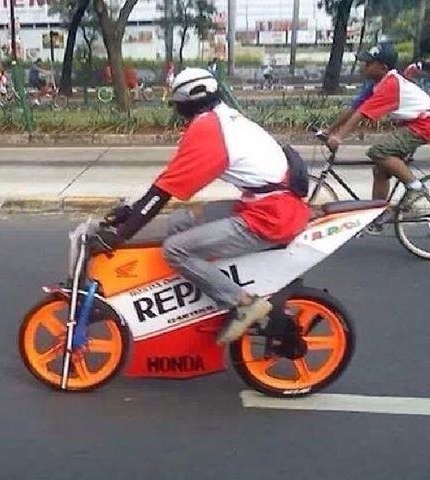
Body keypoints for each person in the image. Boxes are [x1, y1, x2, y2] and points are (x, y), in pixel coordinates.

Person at [93, 67, 310, 344]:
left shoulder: (210, 131)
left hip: (270, 217)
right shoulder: (223, 118)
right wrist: (130, 210)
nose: (177, 112)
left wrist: (120, 236)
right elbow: (170, 179)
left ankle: (242, 302)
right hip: (266, 205)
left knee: (175, 249)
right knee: (180, 221)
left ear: (188, 102)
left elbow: (162, 194)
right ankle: (204, 291)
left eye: (177, 105)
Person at [327, 43, 430, 233]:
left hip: (424, 124)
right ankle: (379, 215)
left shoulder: (390, 85)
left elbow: (362, 115)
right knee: (380, 169)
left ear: (382, 67)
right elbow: (354, 109)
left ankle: (416, 188)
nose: (362, 66)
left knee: (379, 151)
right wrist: (329, 131)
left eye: (368, 63)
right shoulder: (376, 84)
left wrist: (339, 137)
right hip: (413, 124)